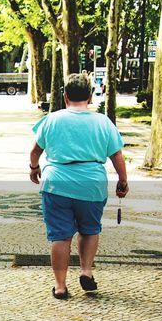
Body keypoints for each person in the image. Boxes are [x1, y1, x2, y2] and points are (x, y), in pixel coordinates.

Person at [29, 73, 129, 299]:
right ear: (90, 97)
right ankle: (86, 271)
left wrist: (34, 167)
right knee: (90, 229)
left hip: (57, 184)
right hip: (91, 185)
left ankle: (60, 286)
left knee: (60, 236)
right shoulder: (103, 122)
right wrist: (123, 180)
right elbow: (117, 156)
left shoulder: (52, 119)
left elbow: (36, 151)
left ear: (65, 96)